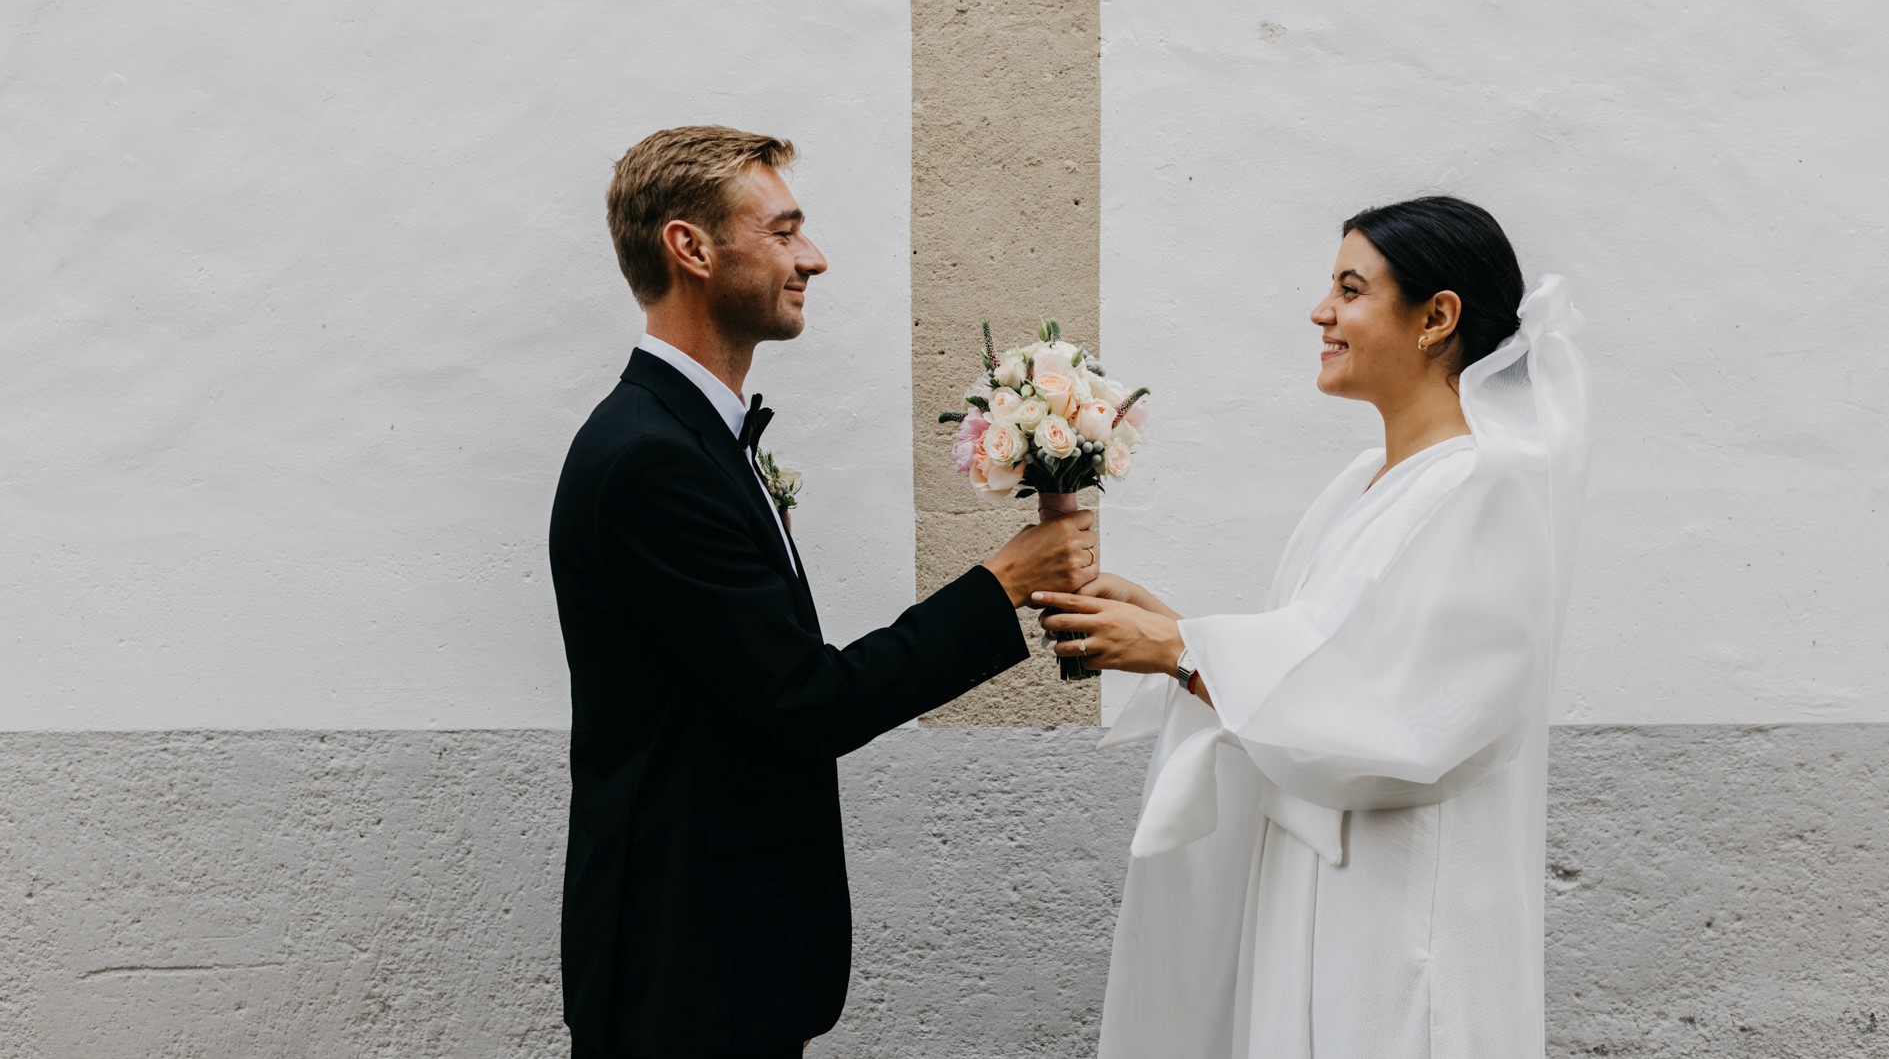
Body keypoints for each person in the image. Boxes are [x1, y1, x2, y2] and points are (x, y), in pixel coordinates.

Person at [548, 125, 1098, 1059]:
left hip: (722, 958)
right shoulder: (652, 460)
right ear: (690, 248)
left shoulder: (690, 438)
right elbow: (807, 698)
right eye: (783, 231)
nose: (814, 257)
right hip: (684, 969)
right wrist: (1000, 583)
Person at [1035, 196, 1590, 1059]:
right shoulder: (1363, 483)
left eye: (1350, 289)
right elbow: (1324, 655)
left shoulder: (1485, 487)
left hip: (1399, 907)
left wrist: (1184, 653)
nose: (1320, 311)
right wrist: (1169, 626)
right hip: (1314, 878)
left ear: (1436, 318)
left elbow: (1415, 715)